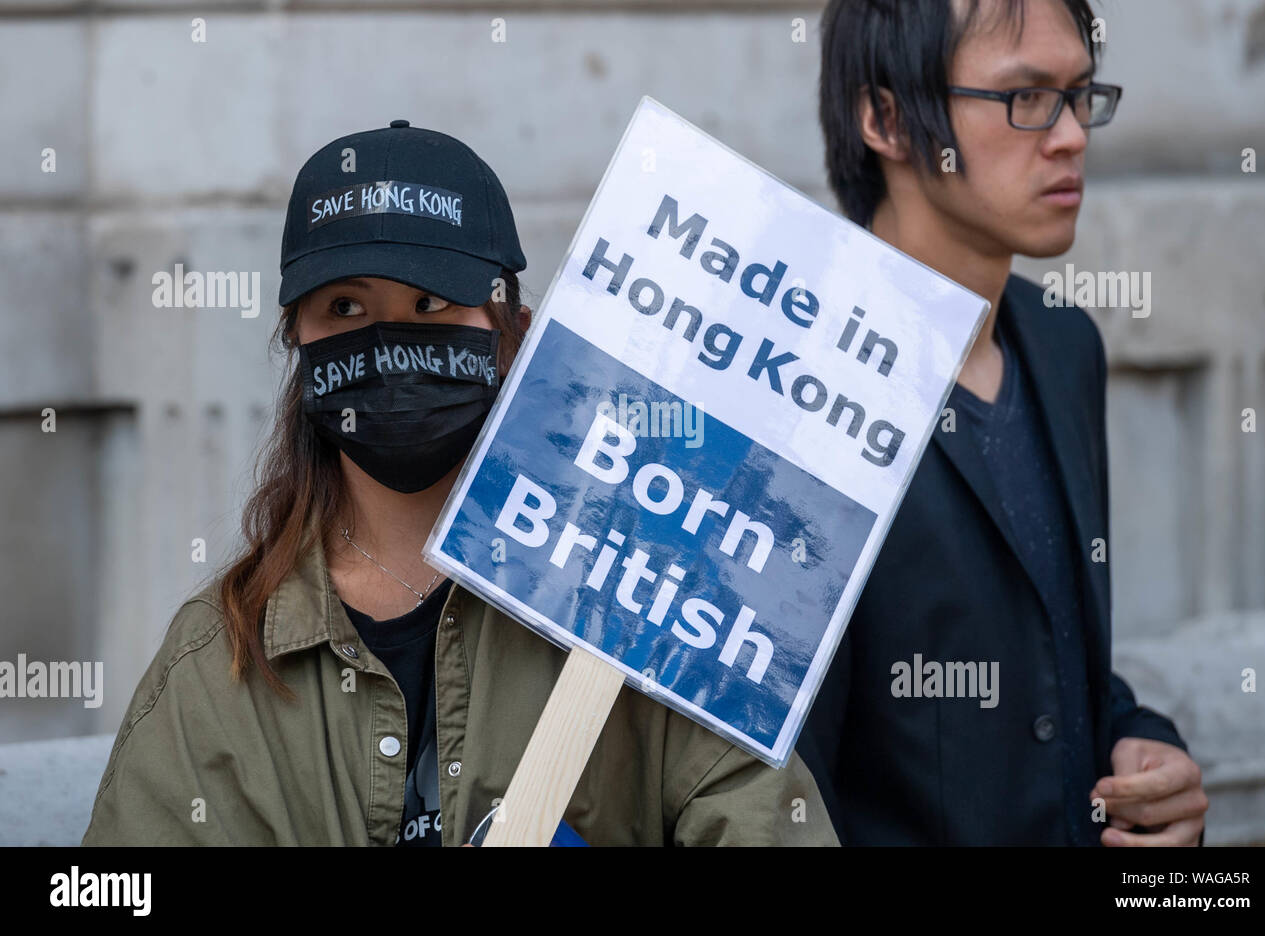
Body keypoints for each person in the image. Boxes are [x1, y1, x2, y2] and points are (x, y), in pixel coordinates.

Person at [82, 119, 837, 846]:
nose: (389, 338)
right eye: (344, 307)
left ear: (510, 329)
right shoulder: (220, 661)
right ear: (296, 343)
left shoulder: (647, 613)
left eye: (430, 302)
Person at [797, 0, 1209, 845]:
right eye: (1024, 100)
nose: (1070, 137)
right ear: (885, 118)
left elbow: (1057, 667)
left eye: (1080, 95)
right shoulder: (799, 373)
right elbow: (781, 779)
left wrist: (1141, 746)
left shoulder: (1063, 347)